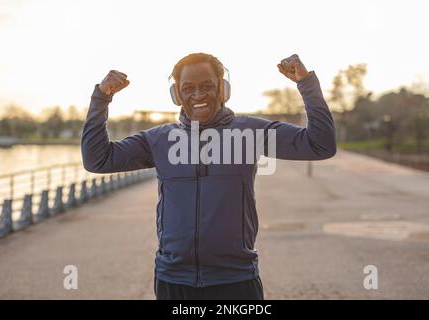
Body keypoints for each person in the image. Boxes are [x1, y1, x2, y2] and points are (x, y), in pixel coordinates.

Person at [81, 52, 336, 300]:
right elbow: (97, 160)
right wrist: (101, 99)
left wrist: (306, 84)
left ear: (223, 89)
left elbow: (320, 145)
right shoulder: (158, 140)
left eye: (207, 86)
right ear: (177, 94)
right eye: (188, 88)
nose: (198, 95)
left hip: (236, 281)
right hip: (173, 281)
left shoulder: (250, 132)